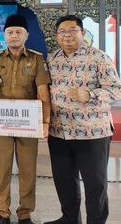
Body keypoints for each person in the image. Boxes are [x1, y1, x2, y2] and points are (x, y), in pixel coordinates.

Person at [45, 15, 121, 224]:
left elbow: (115, 90)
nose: (67, 35)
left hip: (92, 132)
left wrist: (90, 95)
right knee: (64, 181)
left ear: (82, 33)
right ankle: (69, 218)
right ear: (56, 36)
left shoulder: (99, 58)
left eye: (72, 30)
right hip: (59, 131)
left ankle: (96, 221)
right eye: (62, 31)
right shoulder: (52, 60)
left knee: (95, 183)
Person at [0, 14, 51, 224]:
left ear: (26, 35)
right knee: (1, 170)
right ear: (4, 35)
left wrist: (45, 121)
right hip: (1, 122)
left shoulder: (36, 59)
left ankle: (25, 213)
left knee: (27, 171)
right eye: (10, 32)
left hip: (28, 123)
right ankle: (2, 212)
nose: (14, 36)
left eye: (18, 32)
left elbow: (43, 92)